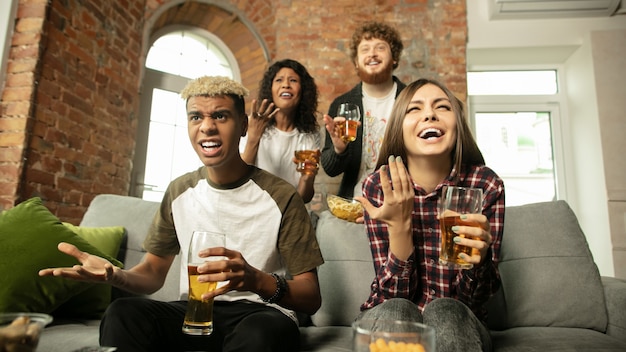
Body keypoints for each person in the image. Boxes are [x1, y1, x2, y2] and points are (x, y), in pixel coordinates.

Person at [39, 76, 324, 352]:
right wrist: (116, 276)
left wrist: (256, 280)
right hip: (195, 314)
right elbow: (152, 272)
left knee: (261, 332)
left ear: (243, 126)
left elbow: (310, 297)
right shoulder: (179, 191)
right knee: (123, 313)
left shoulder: (282, 195)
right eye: (196, 117)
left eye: (221, 116)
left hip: (260, 314)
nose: (207, 127)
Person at [354, 78, 505, 352]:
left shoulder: (484, 185)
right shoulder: (379, 186)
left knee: (447, 310)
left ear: (457, 125)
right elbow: (391, 298)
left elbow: (475, 300)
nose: (429, 114)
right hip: (390, 311)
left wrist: (479, 260)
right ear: (399, 127)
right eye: (415, 109)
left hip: (460, 319)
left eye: (442, 107)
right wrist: (400, 226)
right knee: (397, 311)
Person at [321, 21, 406, 198]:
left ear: (395, 57)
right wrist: (339, 150)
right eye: (365, 49)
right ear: (357, 62)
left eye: (380, 47)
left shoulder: (412, 99)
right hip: (355, 203)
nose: (372, 54)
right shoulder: (342, 104)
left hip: (402, 203)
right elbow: (330, 169)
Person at [240, 59, 321, 203]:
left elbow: (304, 198)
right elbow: (239, 178)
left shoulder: (310, 135)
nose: (286, 85)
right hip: (253, 207)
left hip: (289, 212)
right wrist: (253, 137)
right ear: (270, 89)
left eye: (293, 80)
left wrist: (307, 178)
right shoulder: (253, 123)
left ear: (302, 90)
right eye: (279, 80)